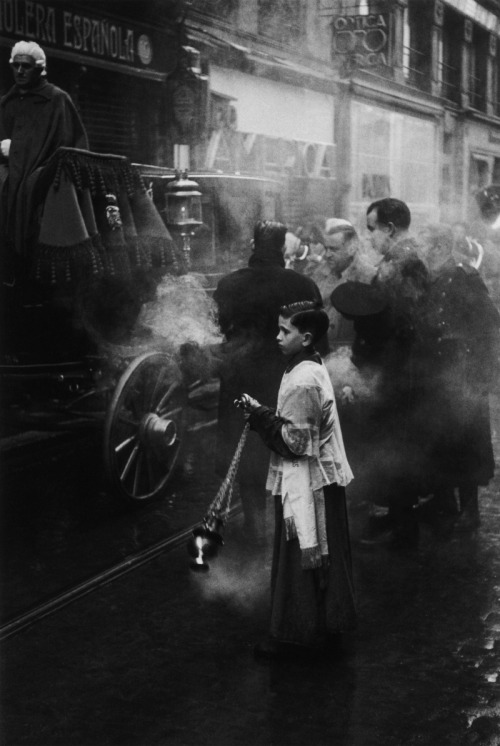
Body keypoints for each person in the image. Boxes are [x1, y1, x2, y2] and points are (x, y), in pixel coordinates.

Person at [236, 301, 356, 658]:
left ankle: (298, 633)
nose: (277, 336)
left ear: (305, 337)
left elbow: (296, 443)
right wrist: (263, 414)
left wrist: (258, 416)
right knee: (323, 552)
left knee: (303, 553)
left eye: (284, 330)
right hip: (318, 477)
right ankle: (321, 625)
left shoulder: (302, 379)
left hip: (309, 482)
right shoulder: (308, 365)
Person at [213, 221, 322, 544]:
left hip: (240, 379)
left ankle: (255, 525)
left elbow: (220, 327)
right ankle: (288, 525)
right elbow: (314, 333)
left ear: (253, 244)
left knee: (246, 455)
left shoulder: (229, 284)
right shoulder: (302, 284)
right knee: (285, 450)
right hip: (285, 379)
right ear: (282, 248)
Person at [332, 198, 429, 549]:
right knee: (397, 449)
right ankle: (400, 524)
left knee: (396, 450)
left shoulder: (402, 264)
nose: (369, 237)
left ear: (389, 228)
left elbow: (398, 325)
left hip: (396, 374)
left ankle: (404, 535)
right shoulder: (405, 260)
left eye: (372, 229)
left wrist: (364, 359)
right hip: (401, 370)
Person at [416, 223, 500, 531]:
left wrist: (480, 374)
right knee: (442, 444)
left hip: (463, 379)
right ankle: (444, 504)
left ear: (439, 249)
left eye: (425, 249)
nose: (420, 255)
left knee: (467, 445)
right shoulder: (433, 280)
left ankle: (469, 512)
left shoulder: (465, 278)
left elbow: (490, 324)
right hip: (439, 378)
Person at [0, 40, 89, 276]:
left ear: (39, 68)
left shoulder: (57, 100)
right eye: (15, 65)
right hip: (10, 174)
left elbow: (66, 147)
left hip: (45, 176)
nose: (19, 71)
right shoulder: (7, 102)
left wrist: (16, 149)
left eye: (26, 66)